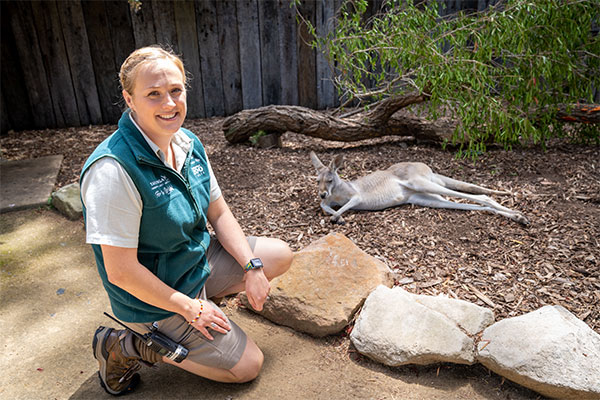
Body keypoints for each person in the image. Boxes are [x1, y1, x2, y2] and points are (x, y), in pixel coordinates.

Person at [80, 45, 293, 395]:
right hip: (148, 296)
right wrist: (190, 308)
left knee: (278, 255)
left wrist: (252, 267)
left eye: (175, 91)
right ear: (129, 99)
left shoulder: (188, 143)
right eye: (153, 94)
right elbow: (120, 272)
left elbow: (219, 212)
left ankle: (204, 312)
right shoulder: (113, 170)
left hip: (193, 264)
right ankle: (126, 344)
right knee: (247, 366)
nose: (169, 103)